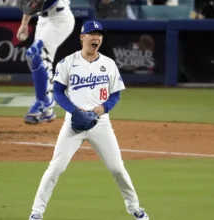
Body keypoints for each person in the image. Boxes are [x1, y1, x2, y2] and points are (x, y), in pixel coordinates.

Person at [28, 20, 150, 220]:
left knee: (117, 168)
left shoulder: (108, 64)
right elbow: (58, 92)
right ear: (82, 37)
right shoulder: (67, 63)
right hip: (72, 124)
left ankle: (135, 208)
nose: (96, 38)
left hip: (100, 123)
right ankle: (36, 212)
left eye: (99, 35)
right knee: (56, 168)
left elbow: (116, 95)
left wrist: (103, 108)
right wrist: (74, 111)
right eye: (92, 34)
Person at [17, 0, 75, 125]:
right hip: (43, 19)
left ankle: (43, 102)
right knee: (40, 61)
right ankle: (47, 112)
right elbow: (29, 4)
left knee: (34, 53)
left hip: (60, 18)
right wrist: (24, 23)